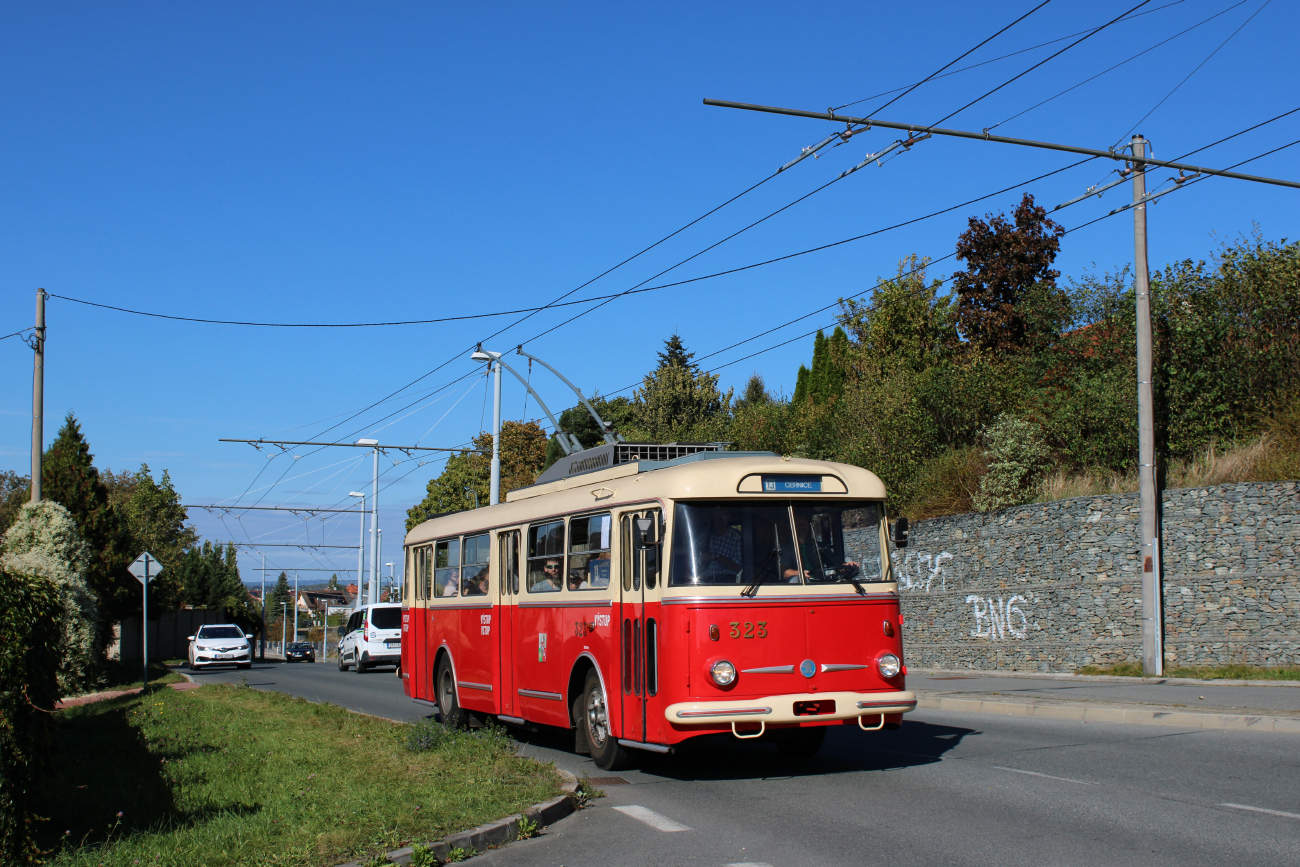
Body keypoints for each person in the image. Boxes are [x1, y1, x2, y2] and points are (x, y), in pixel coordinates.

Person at [701, 509, 742, 582]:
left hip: (726, 582)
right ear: (712, 518)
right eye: (717, 516)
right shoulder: (707, 534)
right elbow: (691, 550)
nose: (720, 519)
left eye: (723, 516)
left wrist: (715, 556)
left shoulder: (737, 537)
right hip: (704, 581)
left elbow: (738, 568)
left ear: (729, 517)